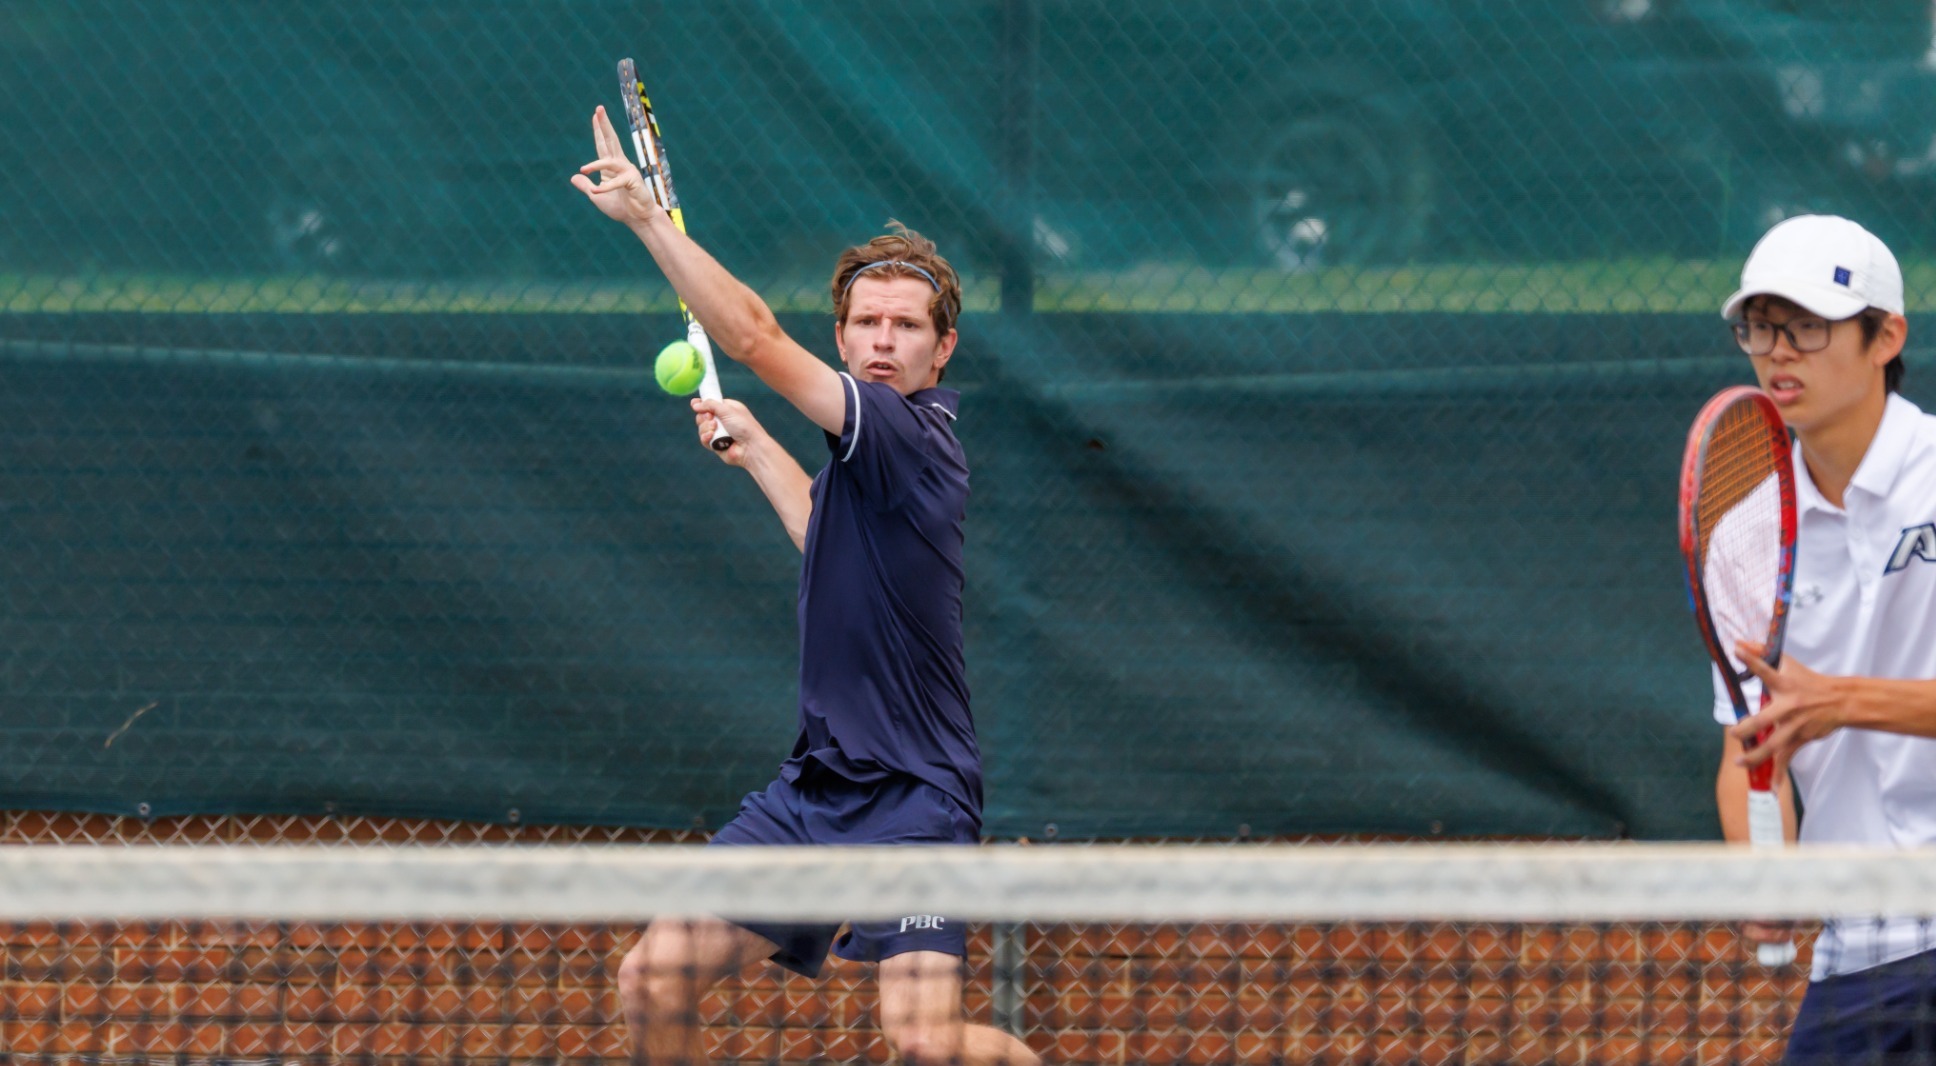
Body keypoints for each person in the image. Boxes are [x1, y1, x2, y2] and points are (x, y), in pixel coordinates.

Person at [572, 106, 1039, 1066]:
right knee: (651, 978)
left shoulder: (913, 436)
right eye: (866, 323)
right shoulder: (862, 463)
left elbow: (747, 331)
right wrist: (755, 451)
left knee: (921, 1041)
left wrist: (652, 223)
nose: (882, 340)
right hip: (814, 795)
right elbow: (821, 532)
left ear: (942, 350)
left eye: (906, 326)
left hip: (916, 801)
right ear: (845, 332)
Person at [1713, 214, 1936, 1063]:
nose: (1779, 351)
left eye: (1807, 325)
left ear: (1887, 337)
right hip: (1869, 938)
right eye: (1760, 326)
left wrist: (1841, 702)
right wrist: (1762, 869)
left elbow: (1815, 705)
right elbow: (1748, 743)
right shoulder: (1743, 535)